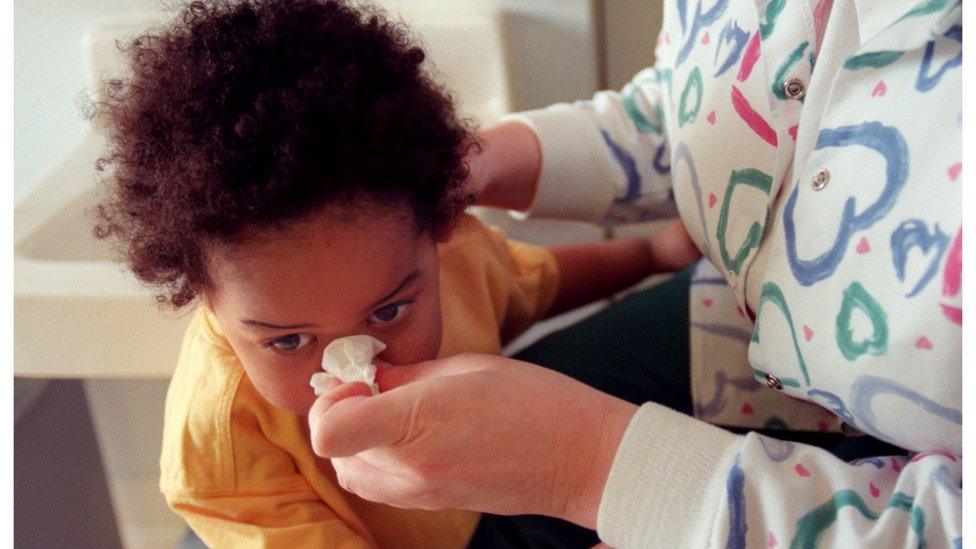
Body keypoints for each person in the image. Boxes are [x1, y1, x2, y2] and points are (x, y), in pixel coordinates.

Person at [309, 0, 963, 547]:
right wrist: (478, 161)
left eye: (392, 306)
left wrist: (592, 468)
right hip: (759, 321)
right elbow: (693, 104)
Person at [91, 0, 703, 546]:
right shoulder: (221, 448)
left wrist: (649, 256)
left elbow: (534, 281)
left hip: (495, 495)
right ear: (205, 295)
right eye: (287, 341)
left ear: (436, 232)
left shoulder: (454, 255)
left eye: (388, 312)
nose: (352, 359)